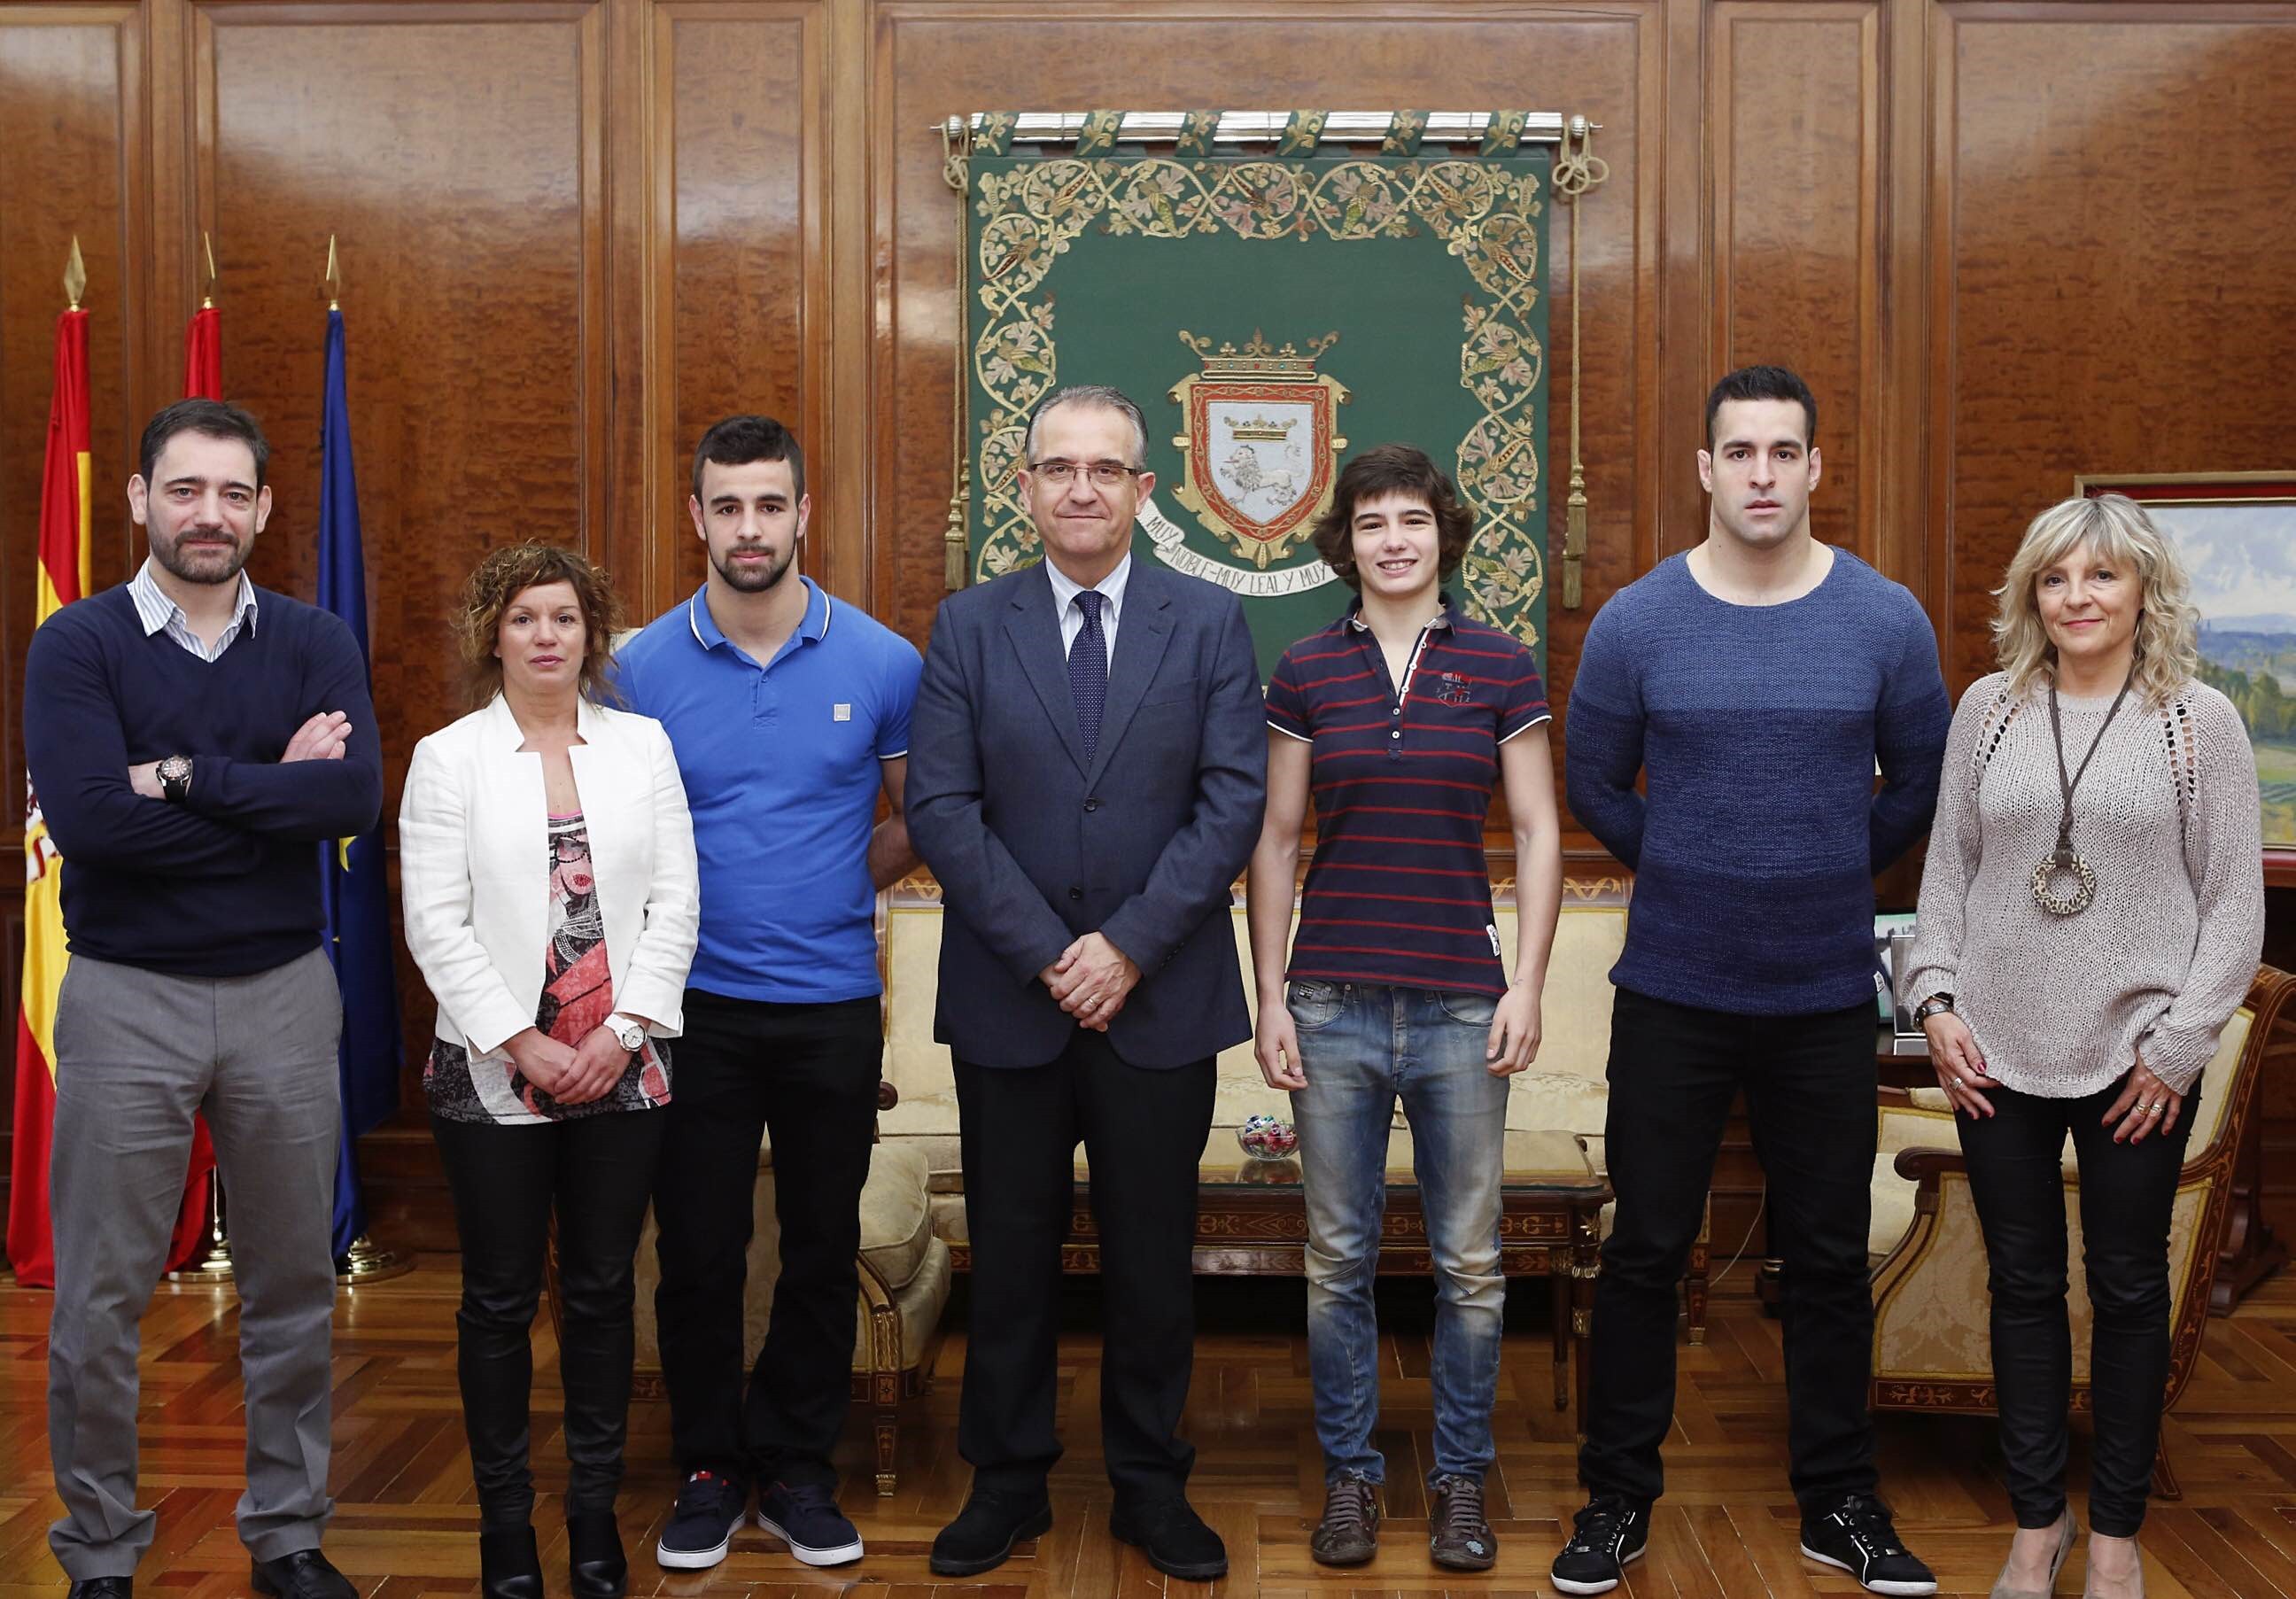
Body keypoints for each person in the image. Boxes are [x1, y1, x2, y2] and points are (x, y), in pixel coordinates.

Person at [1555, 366, 1949, 1596]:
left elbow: (1922, 787)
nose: (1764, 474)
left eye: (1786, 452)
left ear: (1817, 467)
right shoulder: (1637, 621)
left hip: (1825, 996)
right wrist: (1688, 865)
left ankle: (1842, 1502)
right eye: (1742, 453)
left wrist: (1821, 867)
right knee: (1645, 1250)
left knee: (1826, 1255)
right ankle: (1615, 1501)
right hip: (1674, 988)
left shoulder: (1887, 620)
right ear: (1706, 470)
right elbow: (1596, 785)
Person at [906, 384, 1266, 1581]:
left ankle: (1150, 1486)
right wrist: (1051, 954)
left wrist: (1126, 948)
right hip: (1014, 1000)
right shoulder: (966, 625)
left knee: (1154, 1260)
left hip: (1158, 998)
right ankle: (1004, 1484)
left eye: (1105, 469)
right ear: (1024, 487)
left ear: (1145, 491)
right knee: (1007, 1258)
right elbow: (942, 809)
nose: (1079, 488)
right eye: (1057, 467)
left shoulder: (1210, 624)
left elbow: (1232, 804)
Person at [23, 400, 382, 1599]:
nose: (209, 515)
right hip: (127, 999)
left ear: (266, 510)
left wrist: (176, 779)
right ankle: (101, 1553)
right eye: (184, 490)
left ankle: (286, 1535)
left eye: (233, 493)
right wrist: (262, 791)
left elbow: (346, 806)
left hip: (285, 991)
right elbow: (87, 825)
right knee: (102, 1298)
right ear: (139, 501)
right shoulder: (76, 645)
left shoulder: (315, 640)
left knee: (290, 1282)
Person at [1904, 493, 2262, 1599]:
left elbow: (2233, 905)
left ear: (2144, 588)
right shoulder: (1989, 710)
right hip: (1995, 1048)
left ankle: (2113, 1535)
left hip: (2138, 1061)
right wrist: (1935, 1000)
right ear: (2031, 594)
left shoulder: (2198, 723)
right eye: (2056, 578)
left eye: (2102, 577)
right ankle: (2033, 1524)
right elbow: (1947, 879)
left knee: (2126, 1287)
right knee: (2019, 1283)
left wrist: (2180, 1044)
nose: (2079, 598)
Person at [1245, 444, 1563, 1572]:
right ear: (1347, 541)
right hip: (1328, 1003)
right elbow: (1277, 839)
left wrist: (1526, 983)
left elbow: (1535, 832)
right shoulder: (1303, 670)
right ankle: (1351, 1480)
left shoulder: (1500, 663)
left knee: (1469, 1264)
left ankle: (1462, 1482)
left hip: (1461, 1009)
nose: (1393, 538)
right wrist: (1271, 995)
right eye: (1372, 520)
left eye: (1413, 520)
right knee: (1337, 1258)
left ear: (1443, 534)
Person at [615, 415, 921, 1572]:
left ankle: (798, 1465)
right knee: (695, 1247)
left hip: (832, 1000)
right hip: (688, 1008)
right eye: (728, 506)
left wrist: (834, 881)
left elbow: (919, 810)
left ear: (805, 514)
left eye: (771, 505)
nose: (751, 527)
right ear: (697, 517)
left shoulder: (883, 660)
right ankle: (707, 1465)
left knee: (815, 1242)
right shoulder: (637, 667)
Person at [399, 543, 699, 1599]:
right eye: (524, 617)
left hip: (625, 1057)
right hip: (491, 1066)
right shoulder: (448, 757)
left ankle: (592, 1522)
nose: (544, 636)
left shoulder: (644, 745)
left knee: (604, 1288)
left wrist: (618, 1033)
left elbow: (676, 904)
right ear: (494, 633)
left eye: (564, 617)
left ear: (592, 633)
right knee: (496, 1297)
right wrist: (522, 1043)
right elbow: (434, 924)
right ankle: (506, 1531)